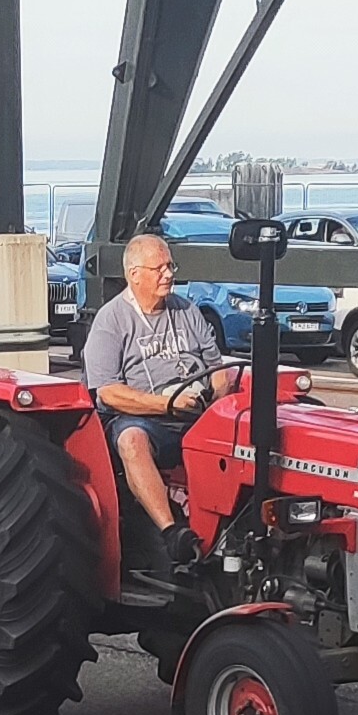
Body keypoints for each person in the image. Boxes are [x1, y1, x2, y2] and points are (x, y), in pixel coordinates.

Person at [82, 234, 238, 569]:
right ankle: (171, 533)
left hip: (196, 414)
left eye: (170, 266)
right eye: (159, 268)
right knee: (131, 441)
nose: (168, 274)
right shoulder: (111, 321)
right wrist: (164, 405)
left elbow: (217, 370)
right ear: (134, 274)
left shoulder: (188, 310)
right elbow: (108, 392)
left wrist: (219, 407)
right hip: (144, 419)